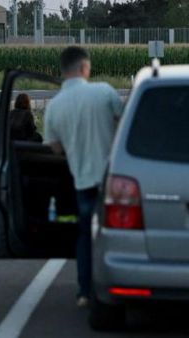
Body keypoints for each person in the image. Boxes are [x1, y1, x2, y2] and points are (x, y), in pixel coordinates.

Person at [44, 46, 124, 307]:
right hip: (113, 181)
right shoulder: (104, 92)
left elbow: (55, 148)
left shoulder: (54, 107)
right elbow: (123, 124)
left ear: (63, 70)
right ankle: (118, 283)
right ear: (84, 67)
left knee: (84, 234)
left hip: (82, 181)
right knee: (114, 234)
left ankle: (84, 291)